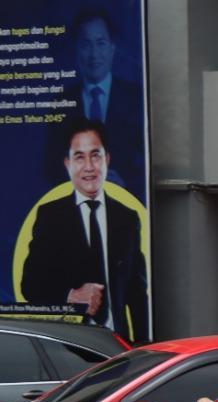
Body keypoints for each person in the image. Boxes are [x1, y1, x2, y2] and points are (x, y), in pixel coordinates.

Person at [19, 117, 148, 342]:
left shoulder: (127, 218)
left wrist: (142, 347)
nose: (89, 166)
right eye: (79, 157)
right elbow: (30, 285)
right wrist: (70, 295)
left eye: (95, 155)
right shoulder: (51, 216)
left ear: (107, 160)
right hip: (69, 345)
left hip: (117, 344)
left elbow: (137, 294)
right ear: (67, 164)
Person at [68, 8, 144, 195]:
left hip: (126, 199)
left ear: (112, 48)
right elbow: (49, 166)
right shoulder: (61, 102)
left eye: (100, 43)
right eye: (86, 44)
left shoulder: (136, 97)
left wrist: (125, 184)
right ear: (76, 49)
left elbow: (146, 161)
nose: (94, 54)